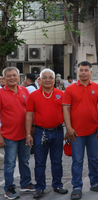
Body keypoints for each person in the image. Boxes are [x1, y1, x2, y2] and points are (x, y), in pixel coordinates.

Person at [25, 69, 68, 198]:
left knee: (57, 161)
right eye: (45, 77)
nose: (48, 80)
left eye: (50, 77)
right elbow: (29, 116)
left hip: (57, 132)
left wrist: (69, 130)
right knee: (39, 162)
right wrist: (28, 134)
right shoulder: (33, 95)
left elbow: (67, 114)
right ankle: (40, 187)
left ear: (54, 80)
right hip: (39, 132)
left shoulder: (61, 94)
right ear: (40, 79)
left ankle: (57, 184)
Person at [63, 61, 98, 199]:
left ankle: (95, 183)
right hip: (76, 132)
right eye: (81, 70)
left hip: (93, 130)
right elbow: (66, 109)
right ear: (77, 72)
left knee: (93, 159)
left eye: (86, 70)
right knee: (77, 160)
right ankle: (77, 186)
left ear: (91, 72)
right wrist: (68, 128)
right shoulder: (70, 89)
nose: (83, 72)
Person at [0, 67, 35, 200]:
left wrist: (30, 131)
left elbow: (30, 112)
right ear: (4, 78)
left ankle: (25, 183)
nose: (12, 78)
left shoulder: (25, 91)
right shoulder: (1, 93)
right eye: (8, 76)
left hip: (25, 134)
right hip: (8, 135)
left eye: (14, 75)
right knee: (9, 163)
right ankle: (9, 188)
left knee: (25, 160)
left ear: (19, 77)